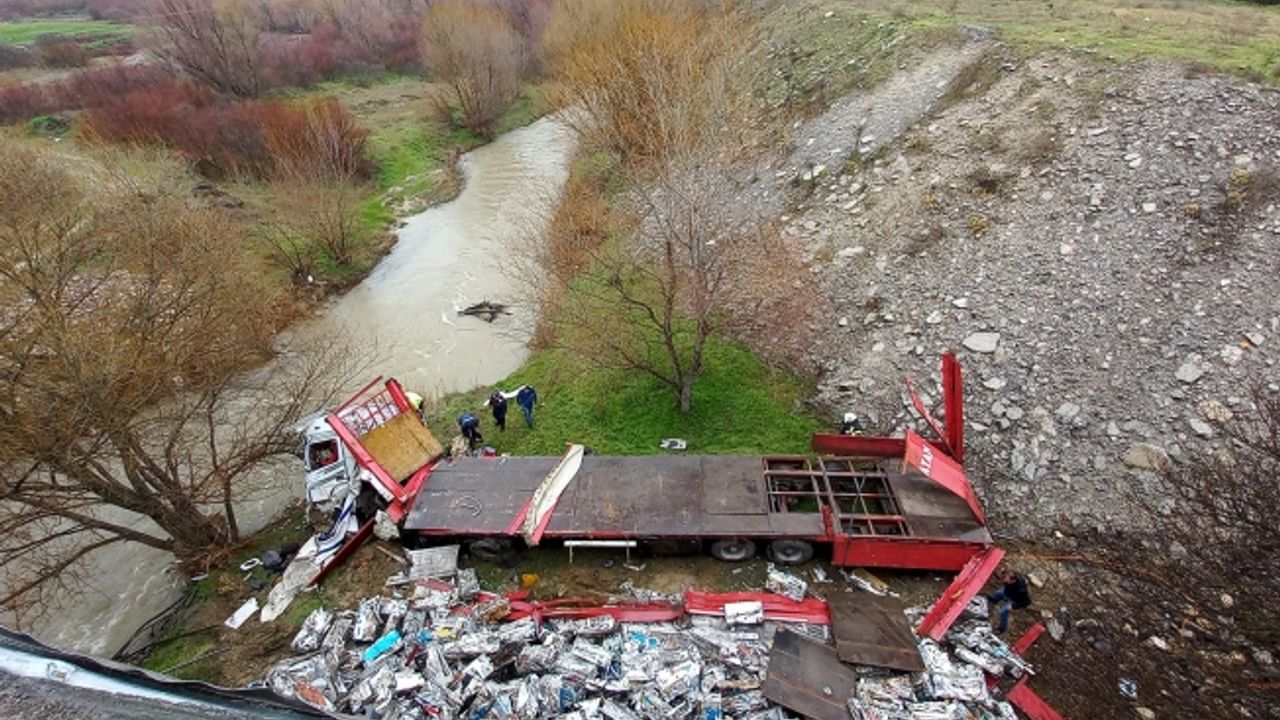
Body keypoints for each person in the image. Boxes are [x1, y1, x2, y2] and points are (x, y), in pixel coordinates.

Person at [988, 567, 1032, 634]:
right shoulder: (1009, 577)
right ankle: (994, 600)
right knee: (998, 593)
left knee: (1003, 612)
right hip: (1007, 593)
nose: (1004, 580)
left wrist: (1013, 606)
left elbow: (1026, 602)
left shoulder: (1021, 590)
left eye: (1005, 579)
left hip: (1014, 599)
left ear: (1012, 581)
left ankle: (1001, 628)